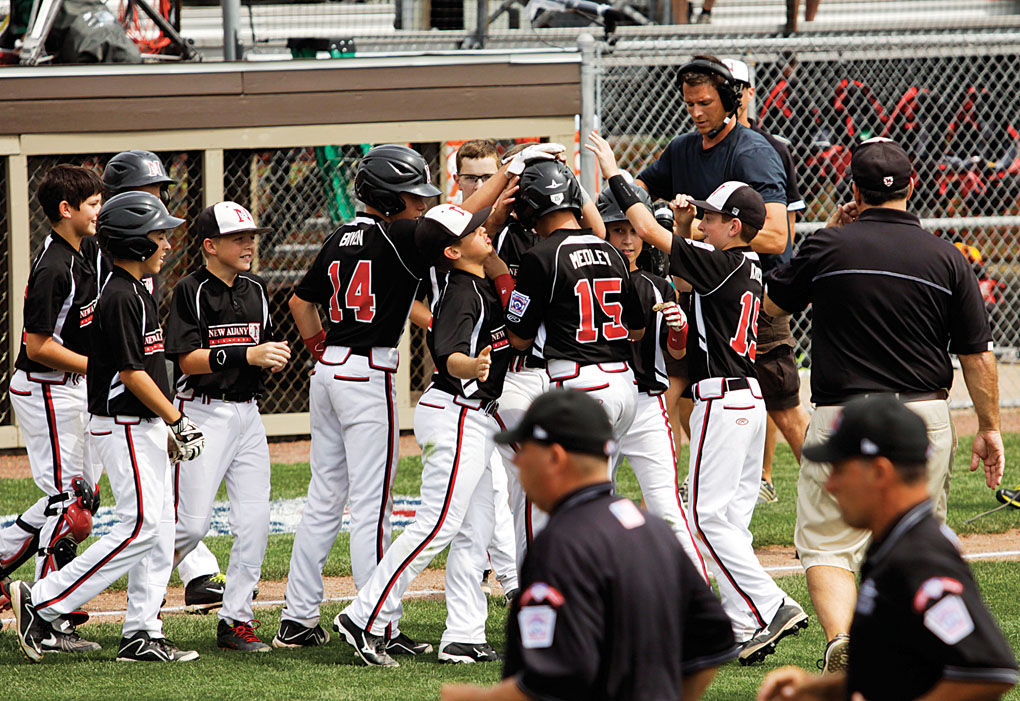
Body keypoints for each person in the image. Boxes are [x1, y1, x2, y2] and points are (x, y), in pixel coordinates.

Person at [277, 142, 548, 651]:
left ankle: (297, 616)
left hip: (330, 370)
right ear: (386, 197)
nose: (420, 206)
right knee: (373, 507)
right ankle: (379, 621)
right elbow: (458, 221)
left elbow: (299, 301)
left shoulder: (341, 233)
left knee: (322, 500)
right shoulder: (399, 232)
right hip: (368, 374)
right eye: (411, 197)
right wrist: (506, 175)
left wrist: (321, 351)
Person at [763, 136, 1006, 671]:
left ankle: (841, 641)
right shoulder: (947, 257)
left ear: (854, 189)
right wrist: (989, 426)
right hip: (922, 415)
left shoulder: (830, 246)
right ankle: (909, 643)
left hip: (843, 412)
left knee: (828, 541)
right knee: (914, 532)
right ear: (912, 187)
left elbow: (772, 304)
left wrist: (831, 231)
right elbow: (978, 356)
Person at [588, 130, 808, 665]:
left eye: (712, 216)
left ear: (735, 226)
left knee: (704, 519)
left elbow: (643, 226)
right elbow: (684, 277)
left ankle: (771, 605)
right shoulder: (741, 264)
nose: (703, 220)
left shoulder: (722, 260)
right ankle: (742, 622)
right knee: (727, 521)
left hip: (722, 400)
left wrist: (616, 170)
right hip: (748, 401)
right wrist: (685, 226)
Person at [10, 191, 206, 663]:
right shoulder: (119, 295)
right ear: (137, 243)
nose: (166, 244)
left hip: (140, 424)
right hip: (123, 424)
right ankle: (43, 602)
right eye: (159, 235)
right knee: (139, 527)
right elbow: (131, 372)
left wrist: (166, 423)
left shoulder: (136, 290)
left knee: (158, 529)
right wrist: (175, 418)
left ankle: (142, 631)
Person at [440, 389, 737, 701]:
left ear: (554, 457)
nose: (517, 460)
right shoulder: (652, 529)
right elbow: (711, 639)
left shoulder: (561, 545)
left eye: (525, 449)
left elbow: (551, 683)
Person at [335, 203, 512, 666]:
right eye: (472, 231)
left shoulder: (474, 281)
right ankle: (361, 617)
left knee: (477, 528)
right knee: (436, 525)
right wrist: (470, 366)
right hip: (456, 411)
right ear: (453, 251)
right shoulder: (460, 290)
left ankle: (463, 636)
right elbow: (448, 352)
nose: (482, 230)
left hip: (470, 414)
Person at [758, 394, 1018, 701]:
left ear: (880, 472)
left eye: (840, 469)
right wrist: (814, 688)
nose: (830, 484)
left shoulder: (918, 556)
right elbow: (895, 671)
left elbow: (988, 671)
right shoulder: (892, 545)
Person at [102, 148, 227, 613]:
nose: (156, 200)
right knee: (93, 505)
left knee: (152, 514)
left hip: (135, 398)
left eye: (158, 190)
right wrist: (170, 414)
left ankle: (171, 593)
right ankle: (53, 598)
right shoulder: (112, 265)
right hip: (101, 394)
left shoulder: (140, 270)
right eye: (146, 192)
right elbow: (124, 361)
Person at [165, 202, 291, 652]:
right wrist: (248, 355)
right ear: (210, 245)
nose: (249, 245)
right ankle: (142, 609)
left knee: (255, 522)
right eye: (239, 238)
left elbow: (262, 347)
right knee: (191, 527)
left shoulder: (256, 288)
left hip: (247, 415)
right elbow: (185, 360)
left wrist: (269, 358)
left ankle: (236, 619)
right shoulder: (190, 290)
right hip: (201, 413)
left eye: (251, 237)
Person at [504, 158, 645, 556]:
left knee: (548, 499)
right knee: (597, 497)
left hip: (577, 384)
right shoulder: (610, 249)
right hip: (623, 383)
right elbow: (637, 329)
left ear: (529, 208)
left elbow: (518, 337)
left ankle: (540, 587)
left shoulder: (539, 256)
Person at [0, 165, 104, 652]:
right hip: (46, 386)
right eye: (94, 204)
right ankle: (43, 613)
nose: (100, 211)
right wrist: (96, 366)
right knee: (72, 504)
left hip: (65, 386)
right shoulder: (55, 265)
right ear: (67, 210)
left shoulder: (81, 255)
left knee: (71, 500)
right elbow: (37, 344)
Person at [596, 181, 707, 579]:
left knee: (665, 502)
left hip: (646, 403)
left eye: (631, 230)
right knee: (592, 500)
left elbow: (676, 355)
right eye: (617, 230)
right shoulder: (587, 278)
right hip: (601, 397)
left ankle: (694, 585)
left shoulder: (659, 284)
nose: (626, 239)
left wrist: (678, 331)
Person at [721, 58, 811, 504]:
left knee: (778, 394)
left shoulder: (768, 146)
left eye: (737, 89)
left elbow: (783, 234)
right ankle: (746, 476)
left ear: (749, 94)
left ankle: (779, 478)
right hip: (713, 289)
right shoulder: (695, 148)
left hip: (762, 286)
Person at [635, 54, 790, 258]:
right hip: (697, 280)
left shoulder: (753, 154)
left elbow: (776, 238)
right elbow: (642, 187)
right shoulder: (681, 148)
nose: (696, 113)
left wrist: (698, 228)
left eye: (705, 103)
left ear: (727, 101)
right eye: (690, 104)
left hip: (746, 283)